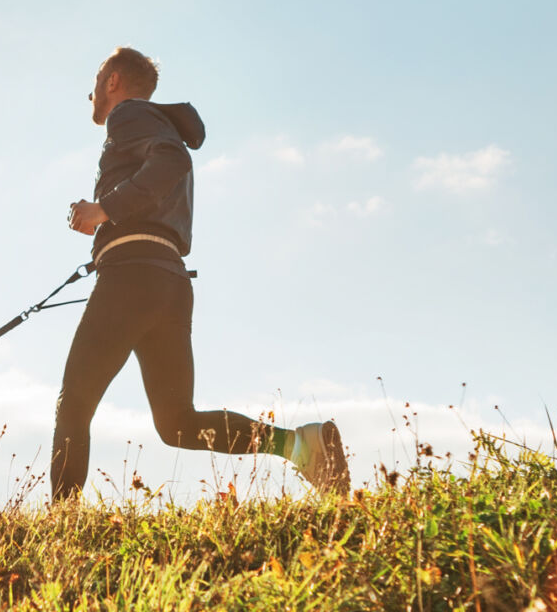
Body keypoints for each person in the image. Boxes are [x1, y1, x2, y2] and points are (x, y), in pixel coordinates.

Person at [52, 47, 350, 502]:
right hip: (167, 281)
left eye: (96, 79)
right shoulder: (153, 122)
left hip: (132, 278)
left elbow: (172, 161)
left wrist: (104, 209)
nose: (90, 91)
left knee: (74, 403)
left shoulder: (128, 115)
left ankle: (62, 527)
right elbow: (167, 166)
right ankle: (299, 445)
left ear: (112, 81)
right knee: (177, 423)